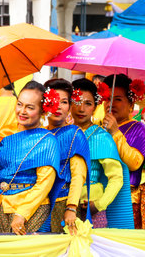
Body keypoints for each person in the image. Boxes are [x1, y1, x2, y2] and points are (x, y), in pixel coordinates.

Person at [0, 81, 60, 235]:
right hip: (0, 206)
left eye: (30, 107)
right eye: (19, 104)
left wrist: (21, 214)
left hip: (29, 211)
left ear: (42, 111)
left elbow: (44, 184)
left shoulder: (47, 140)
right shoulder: (4, 135)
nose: (22, 111)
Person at [71, 78, 134, 229]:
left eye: (88, 103)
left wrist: (99, 204)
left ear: (95, 106)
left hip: (90, 206)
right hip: (63, 204)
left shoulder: (101, 137)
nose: (81, 109)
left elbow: (116, 178)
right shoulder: (64, 134)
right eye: (77, 101)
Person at [103, 74, 145, 229]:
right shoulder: (99, 129)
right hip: (102, 197)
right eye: (107, 99)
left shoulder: (138, 128)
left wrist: (115, 133)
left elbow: (135, 163)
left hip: (127, 199)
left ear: (131, 105)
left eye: (117, 99)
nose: (110, 104)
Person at [43, 78, 90, 234]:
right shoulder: (40, 134)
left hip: (62, 204)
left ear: (70, 107)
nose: (58, 106)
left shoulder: (74, 134)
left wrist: (71, 208)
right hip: (38, 203)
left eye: (64, 102)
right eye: (53, 100)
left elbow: (78, 175)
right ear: (45, 104)